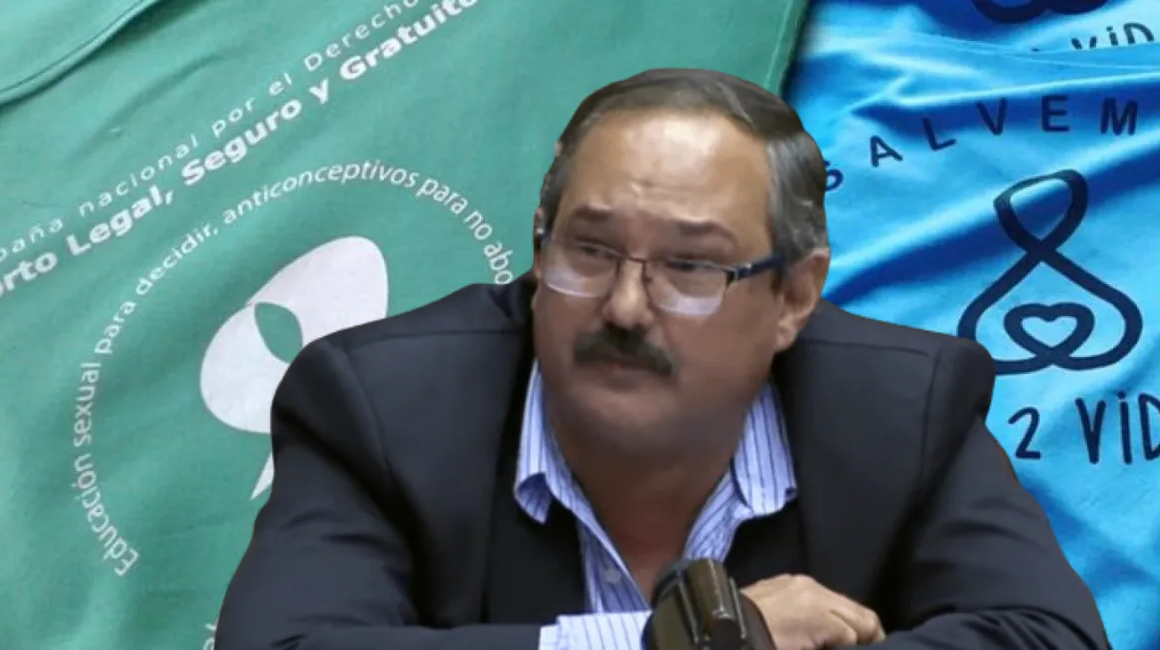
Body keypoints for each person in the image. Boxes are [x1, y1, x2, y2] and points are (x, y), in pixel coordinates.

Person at [215, 68, 1109, 650]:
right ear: (539, 242)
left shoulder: (901, 406)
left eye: (690, 267)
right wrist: (676, 642)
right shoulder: (380, 404)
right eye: (589, 250)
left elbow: (1049, 640)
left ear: (794, 297)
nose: (625, 307)